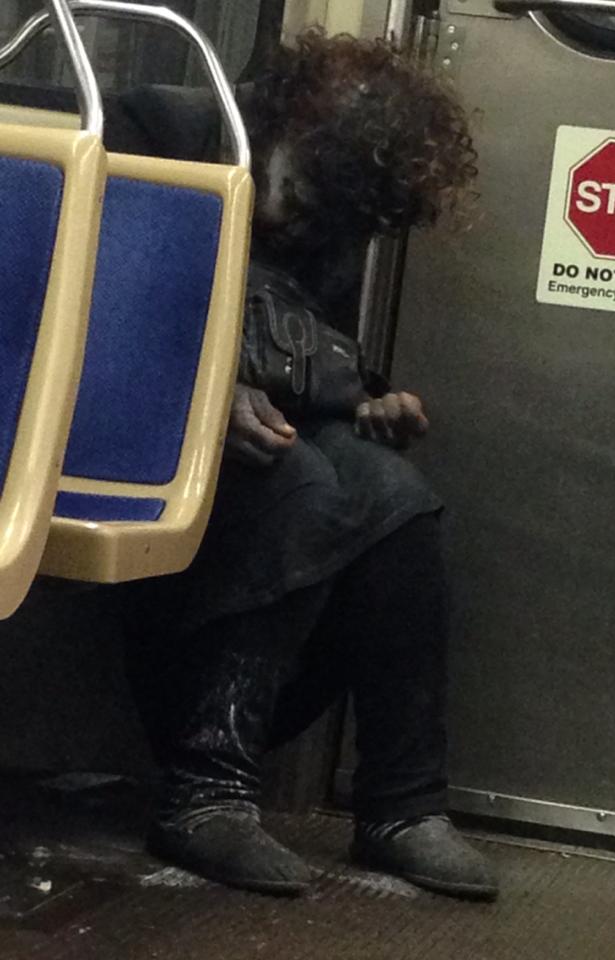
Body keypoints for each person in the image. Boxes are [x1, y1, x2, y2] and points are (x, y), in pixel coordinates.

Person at [124, 29, 498, 901]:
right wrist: (200, 396)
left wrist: (365, 399)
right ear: (287, 119)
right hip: (130, 407)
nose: (297, 225)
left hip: (265, 431)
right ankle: (205, 792)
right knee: (297, 485)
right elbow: (91, 299)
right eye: (301, 197)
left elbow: (297, 337)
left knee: (400, 502)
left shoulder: (331, 204)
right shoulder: (162, 129)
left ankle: (402, 805)